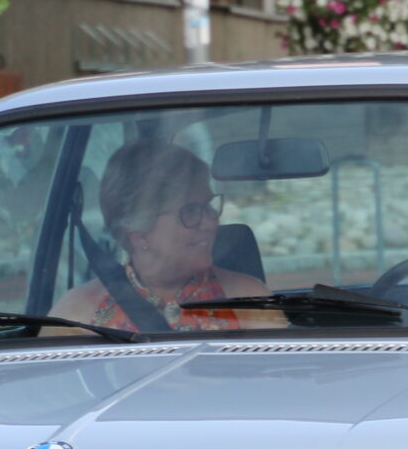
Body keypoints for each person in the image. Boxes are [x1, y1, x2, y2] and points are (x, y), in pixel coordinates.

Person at [50, 140, 280, 332]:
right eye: (190, 211)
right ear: (139, 233)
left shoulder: (249, 301)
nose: (211, 222)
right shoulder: (78, 315)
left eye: (209, 205)